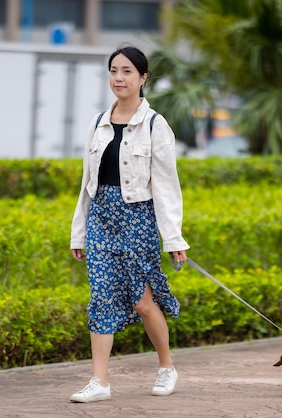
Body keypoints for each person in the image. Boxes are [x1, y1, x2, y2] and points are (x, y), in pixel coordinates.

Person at [69, 45, 189, 403]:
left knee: (143, 302)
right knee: (101, 297)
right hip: (101, 219)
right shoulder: (96, 122)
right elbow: (86, 184)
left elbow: (167, 187)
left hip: (138, 218)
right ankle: (100, 382)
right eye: (113, 71)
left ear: (142, 78)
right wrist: (79, 231)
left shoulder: (155, 124)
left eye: (126, 72)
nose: (118, 78)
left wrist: (174, 239)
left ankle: (167, 366)